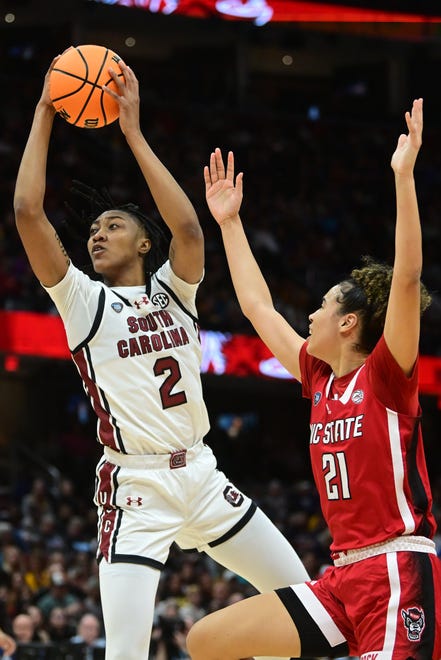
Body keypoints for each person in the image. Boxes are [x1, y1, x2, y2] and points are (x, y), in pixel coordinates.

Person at [13, 52, 310, 660]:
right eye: (92, 229)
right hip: (136, 486)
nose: (97, 233)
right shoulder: (82, 302)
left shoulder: (173, 290)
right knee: (126, 654)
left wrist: (133, 132)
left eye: (113, 225)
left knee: (305, 603)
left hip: (201, 474)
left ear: (145, 242)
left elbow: (193, 233)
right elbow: (27, 213)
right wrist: (44, 111)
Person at [186, 98, 441, 658]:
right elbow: (257, 307)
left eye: (323, 306)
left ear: (348, 322)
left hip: (396, 569)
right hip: (339, 579)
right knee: (206, 640)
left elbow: (407, 280)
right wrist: (229, 222)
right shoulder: (318, 375)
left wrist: (403, 178)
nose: (310, 314)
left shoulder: (386, 377)